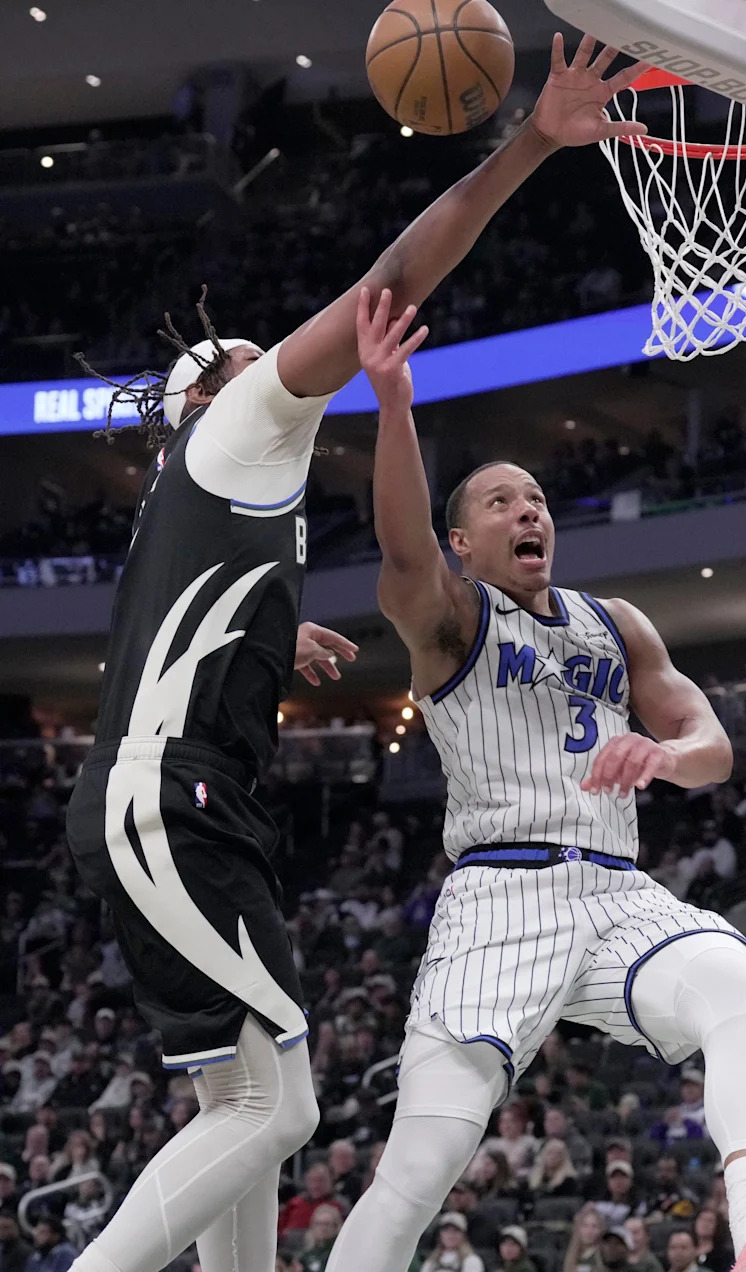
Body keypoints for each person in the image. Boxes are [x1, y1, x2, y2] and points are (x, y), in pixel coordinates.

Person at [61, 32, 647, 1272]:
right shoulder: (232, 434)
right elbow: (392, 276)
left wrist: (277, 627)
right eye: (244, 359)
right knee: (282, 1112)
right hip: (170, 799)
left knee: (246, 1107)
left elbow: (186, 628)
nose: (271, 357)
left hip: (184, 799)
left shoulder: (215, 508)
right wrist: (533, 140)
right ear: (204, 404)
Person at [325, 244, 746, 1272]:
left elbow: (712, 745)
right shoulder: (450, 620)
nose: (528, 510)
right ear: (465, 542)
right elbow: (402, 548)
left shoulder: (616, 623)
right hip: (498, 898)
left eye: (536, 497)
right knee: (420, 1169)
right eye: (499, 502)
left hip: (618, 893)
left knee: (737, 981)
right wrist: (394, 405)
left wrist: (666, 758)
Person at [277, 1165, 344, 1237]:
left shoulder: (339, 1205)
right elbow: (280, 1230)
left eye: (321, 1180)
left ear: (331, 1181)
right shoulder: (295, 1203)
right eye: (312, 1180)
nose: (316, 1185)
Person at [421, 1213, 485, 1272]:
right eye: (446, 1230)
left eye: (455, 1230)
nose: (450, 1235)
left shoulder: (472, 1260)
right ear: (440, 1234)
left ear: (464, 1235)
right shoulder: (431, 1261)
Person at [562, 1206, 607, 1272]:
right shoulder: (571, 1254)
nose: (589, 1231)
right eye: (585, 1225)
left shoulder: (605, 1256)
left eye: (594, 1226)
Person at [299, 1205, 342, 1272]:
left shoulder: (339, 1254)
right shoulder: (305, 1255)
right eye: (318, 1224)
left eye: (327, 1224)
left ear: (335, 1227)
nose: (322, 1228)